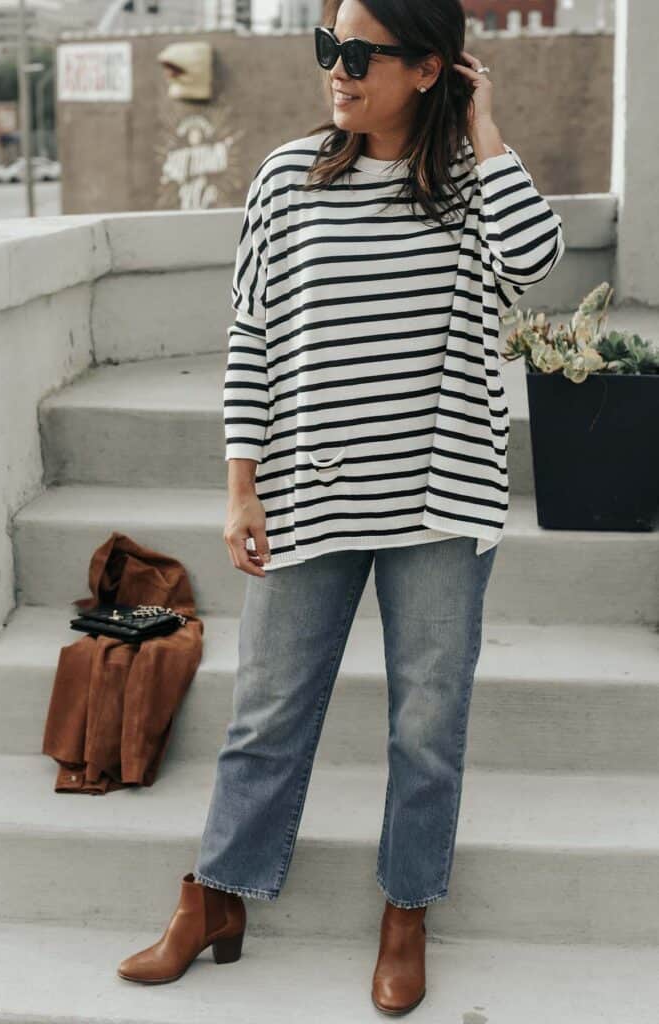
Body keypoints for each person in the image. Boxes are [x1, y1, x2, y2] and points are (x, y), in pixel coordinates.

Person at [116, 0, 565, 1014]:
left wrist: (487, 132)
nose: (338, 69)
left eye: (361, 53)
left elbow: (537, 265)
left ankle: (405, 909)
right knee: (265, 714)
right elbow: (251, 340)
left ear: (426, 69)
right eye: (328, 47)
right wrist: (240, 484)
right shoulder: (284, 178)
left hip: (437, 503)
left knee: (425, 725)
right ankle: (215, 897)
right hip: (308, 495)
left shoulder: (466, 190)